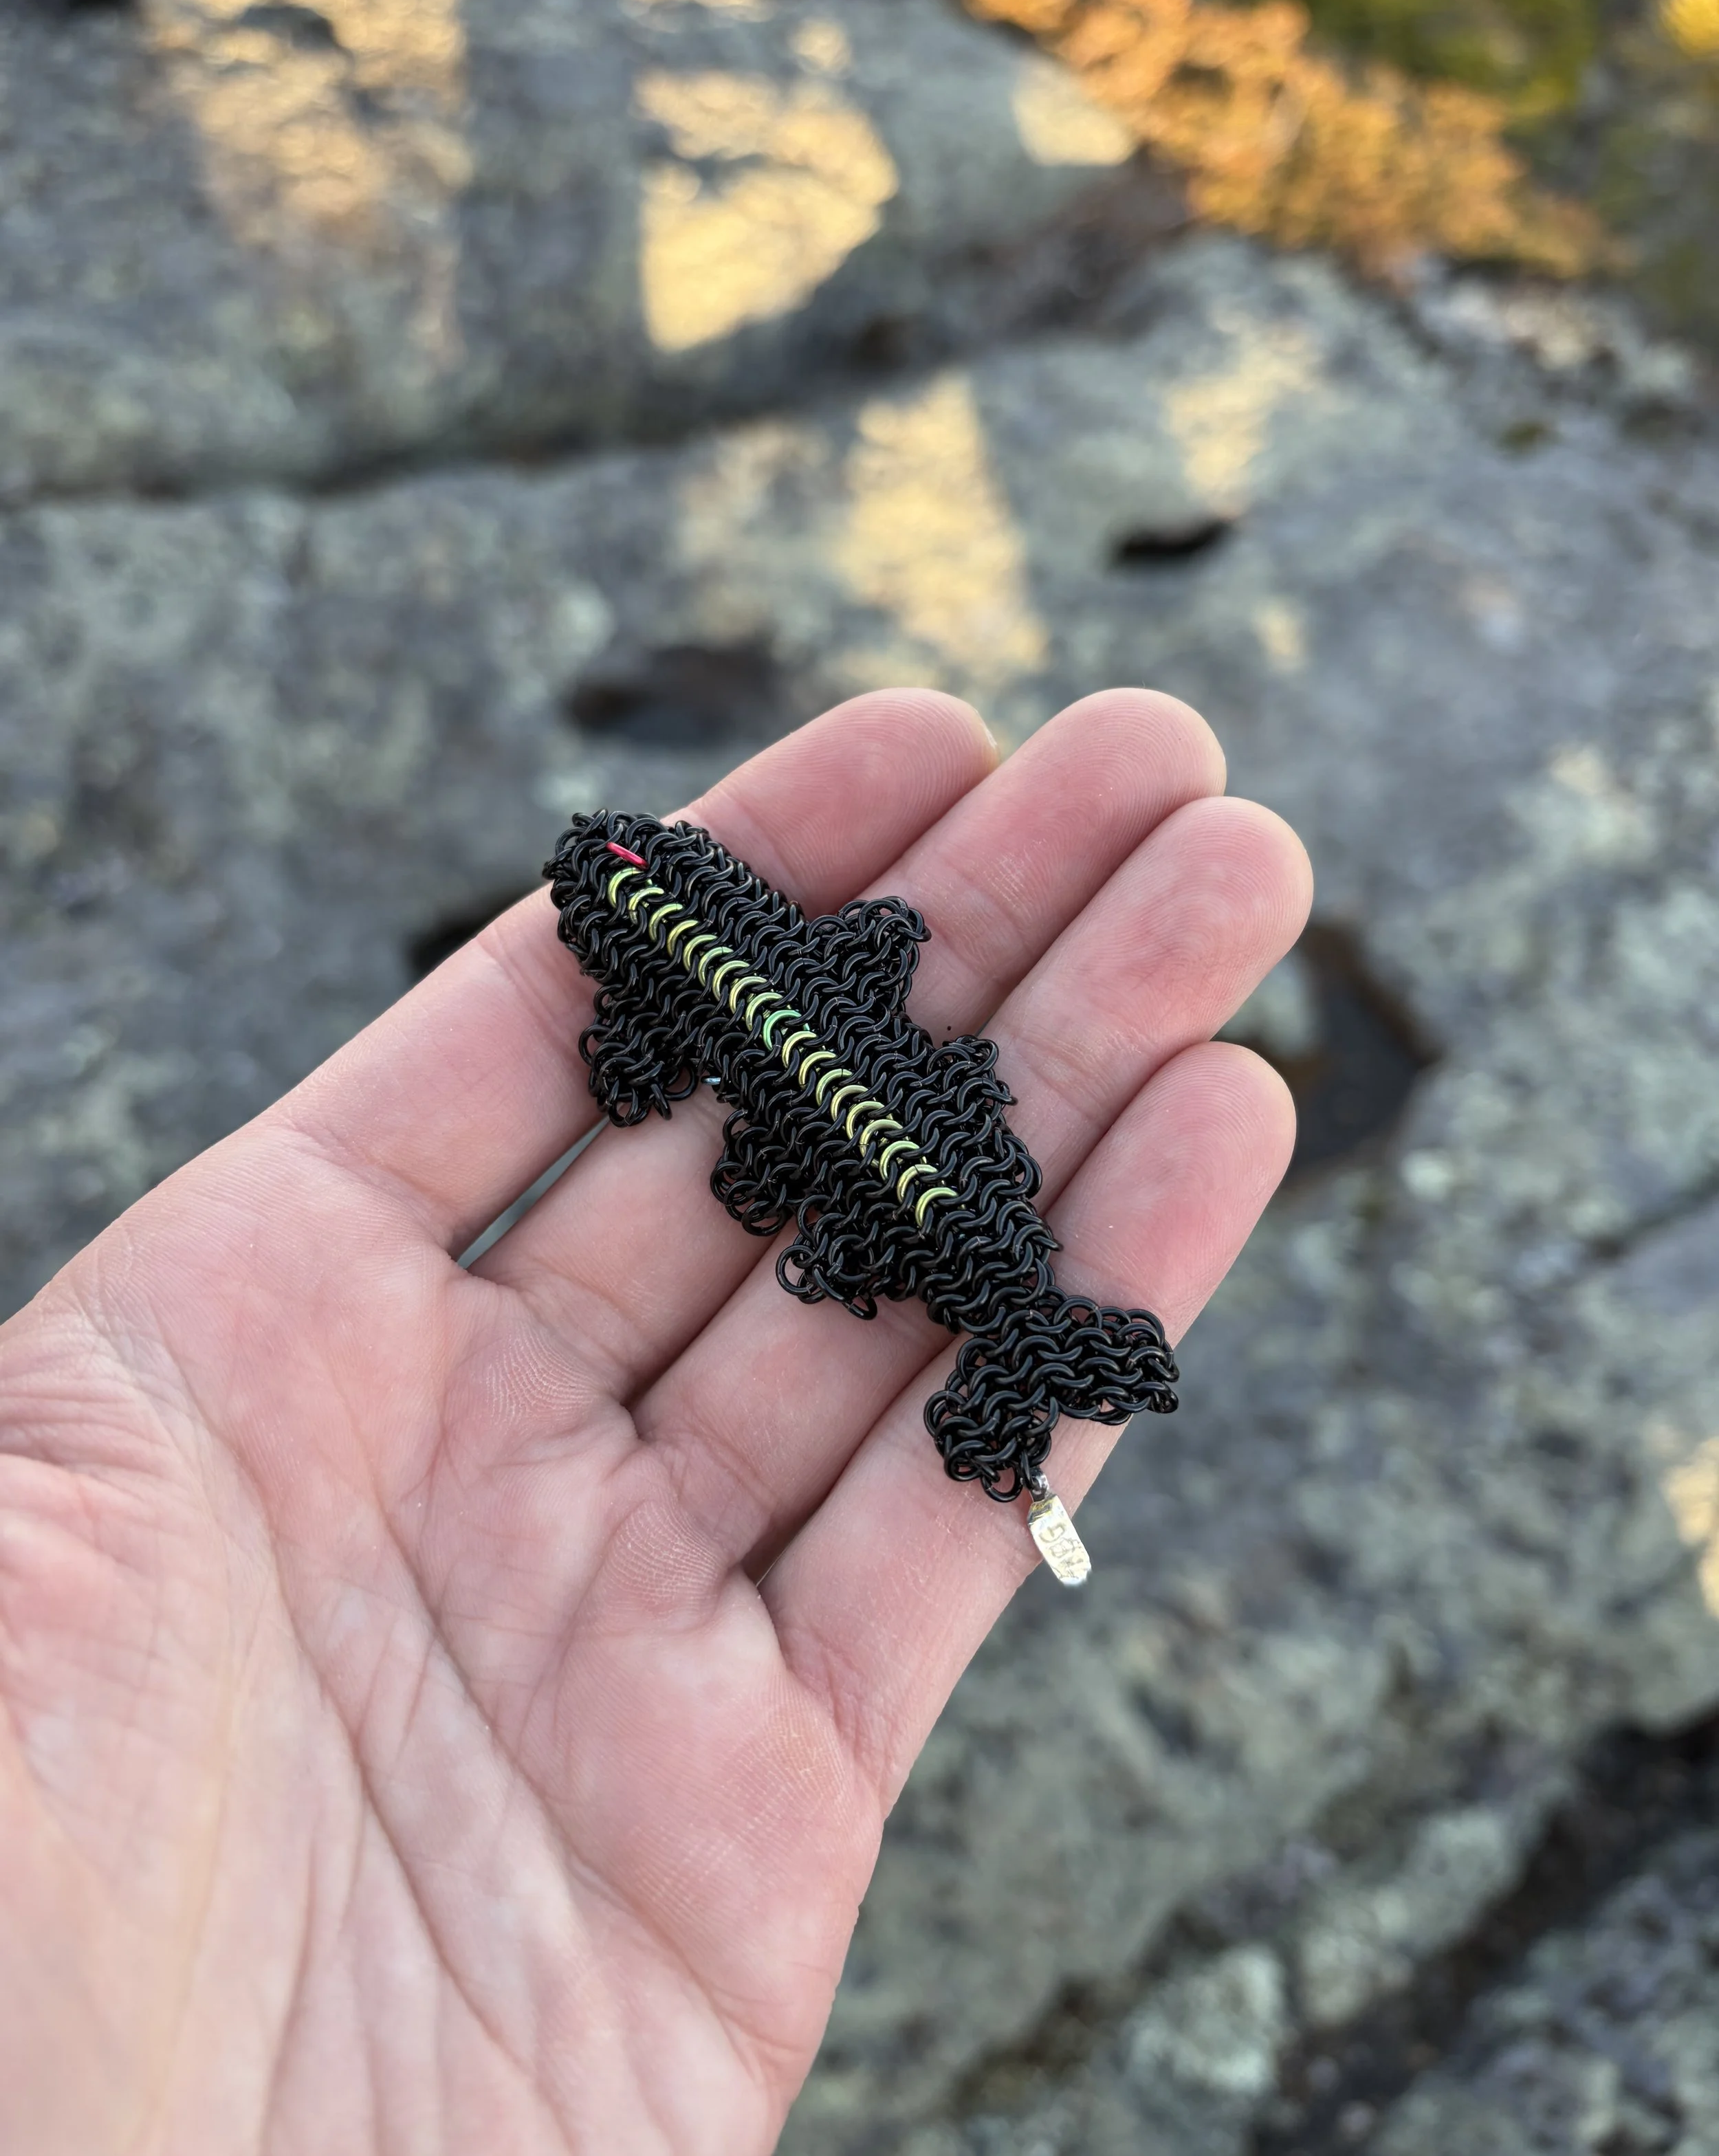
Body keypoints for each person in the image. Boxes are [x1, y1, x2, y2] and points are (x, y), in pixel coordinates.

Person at [0, 688, 1310, 2153]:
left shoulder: (676, 1018)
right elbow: (867, 951)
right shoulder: (831, 950)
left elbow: (649, 1065)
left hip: (923, 1193)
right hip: (930, 1181)